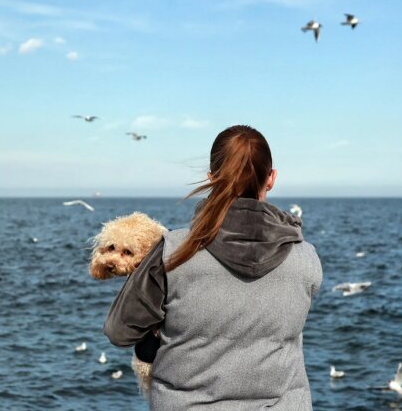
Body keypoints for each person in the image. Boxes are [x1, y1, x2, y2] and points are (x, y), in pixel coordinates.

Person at [104, 125, 323, 410]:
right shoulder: (306, 258)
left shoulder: (172, 252)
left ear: (212, 178)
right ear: (271, 179)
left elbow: (119, 332)